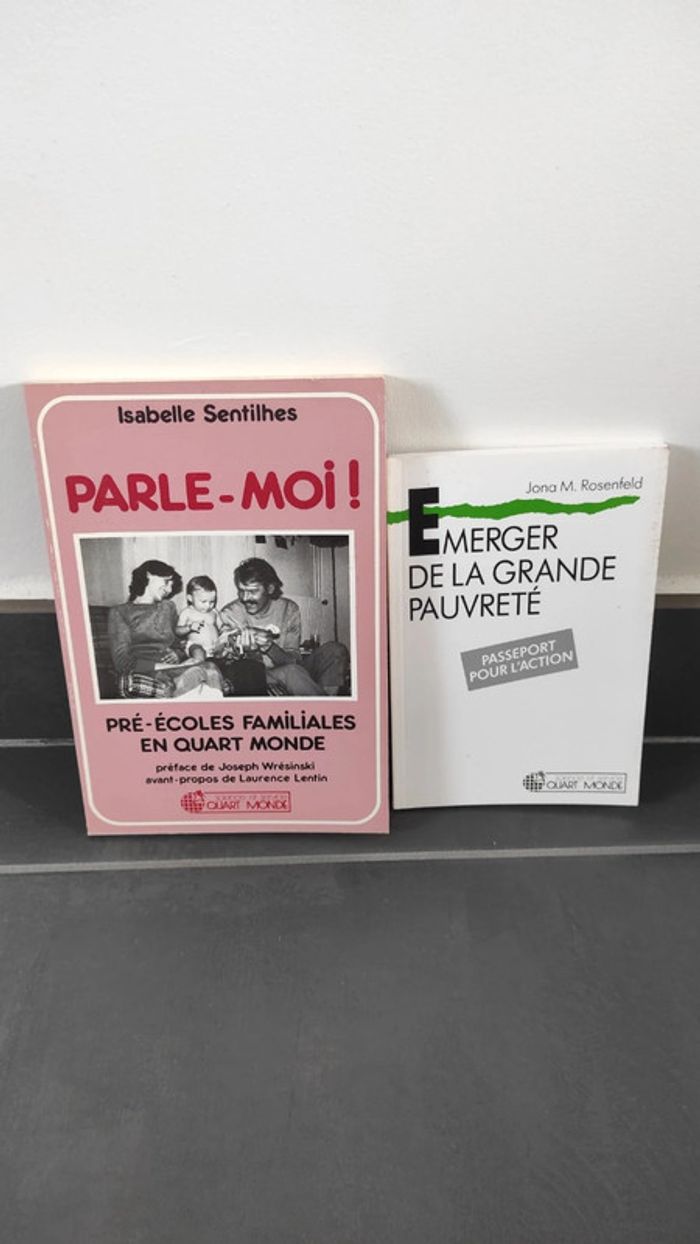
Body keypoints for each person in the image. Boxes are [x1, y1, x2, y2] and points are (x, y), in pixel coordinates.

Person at [220, 557, 350, 696]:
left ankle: (329, 700)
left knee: (335, 650)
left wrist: (270, 647)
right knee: (292, 672)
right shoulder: (230, 614)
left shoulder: (289, 609)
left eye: (252, 591)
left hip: (289, 666)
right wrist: (252, 653)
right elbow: (232, 668)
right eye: (241, 591)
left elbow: (294, 660)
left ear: (270, 588)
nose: (245, 598)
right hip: (257, 674)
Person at [107, 559, 224, 698]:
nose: (169, 590)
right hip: (148, 671)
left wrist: (190, 652)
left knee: (210, 668)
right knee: (199, 673)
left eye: (171, 585)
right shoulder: (120, 612)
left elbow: (179, 642)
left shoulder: (168, 607)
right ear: (149, 575)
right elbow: (122, 662)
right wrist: (173, 667)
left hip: (175, 669)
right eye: (167, 582)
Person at [175, 574, 226, 662]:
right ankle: (196, 664)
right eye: (203, 601)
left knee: (225, 651)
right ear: (190, 598)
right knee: (198, 652)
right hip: (195, 645)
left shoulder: (214, 612)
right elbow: (177, 631)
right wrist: (189, 628)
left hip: (214, 647)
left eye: (212, 602)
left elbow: (221, 626)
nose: (208, 606)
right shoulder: (187, 612)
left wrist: (226, 631)